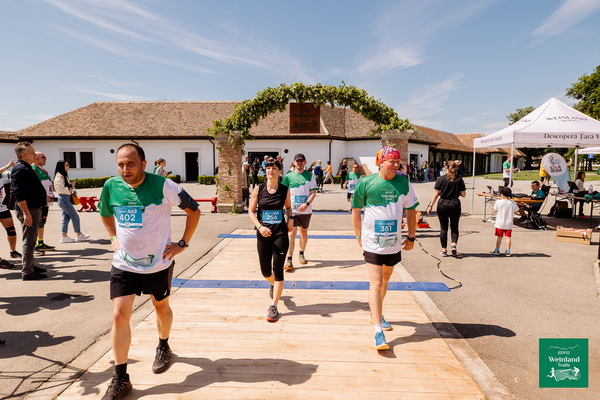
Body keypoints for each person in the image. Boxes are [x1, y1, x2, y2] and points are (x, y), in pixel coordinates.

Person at [98, 143, 200, 400]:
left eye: (131, 164)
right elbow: (105, 213)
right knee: (119, 316)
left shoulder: (163, 185)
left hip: (157, 264)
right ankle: (121, 378)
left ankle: (164, 346)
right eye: (121, 165)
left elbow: (194, 210)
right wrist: (112, 237)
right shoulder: (111, 186)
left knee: (161, 307)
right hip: (124, 263)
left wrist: (182, 243)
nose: (125, 169)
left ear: (144, 164)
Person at [352, 146, 418, 350]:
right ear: (380, 163)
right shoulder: (366, 183)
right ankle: (378, 331)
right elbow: (356, 210)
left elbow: (411, 211)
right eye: (392, 161)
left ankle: (376, 313)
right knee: (377, 283)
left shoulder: (404, 183)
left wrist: (411, 237)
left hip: (393, 243)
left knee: (386, 279)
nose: (396, 165)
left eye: (398, 161)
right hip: (372, 241)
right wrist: (358, 235)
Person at [248, 158, 293, 322]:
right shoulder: (258, 189)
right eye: (268, 168)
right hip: (263, 233)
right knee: (265, 271)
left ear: (280, 171)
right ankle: (272, 283)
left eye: (274, 168)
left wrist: (291, 219)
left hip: (280, 233)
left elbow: (288, 207)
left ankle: (274, 305)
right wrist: (260, 227)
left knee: (278, 269)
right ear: (265, 171)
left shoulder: (284, 190)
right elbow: (251, 212)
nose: (271, 170)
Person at [11, 142, 49, 280]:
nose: (35, 156)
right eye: (32, 153)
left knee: (31, 239)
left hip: (33, 208)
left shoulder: (27, 167)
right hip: (29, 210)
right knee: (29, 241)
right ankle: (27, 272)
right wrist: (26, 213)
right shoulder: (20, 169)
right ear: (23, 155)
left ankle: (30, 265)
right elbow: (18, 194)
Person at [281, 153, 317, 271]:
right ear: (294, 162)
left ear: (305, 162)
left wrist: (306, 204)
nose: (299, 163)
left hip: (306, 210)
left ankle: (301, 253)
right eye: (297, 161)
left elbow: (313, 193)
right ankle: (289, 259)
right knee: (291, 233)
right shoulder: (288, 176)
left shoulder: (310, 176)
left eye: (301, 161)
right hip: (292, 210)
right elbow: (283, 192)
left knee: (303, 232)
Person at [426, 160, 466, 257]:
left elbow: (436, 194)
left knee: (443, 228)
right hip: (455, 204)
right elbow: (463, 194)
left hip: (443, 204)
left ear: (446, 168)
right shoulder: (459, 179)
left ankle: (444, 250)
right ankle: (453, 245)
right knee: (454, 226)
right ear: (455, 168)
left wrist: (430, 206)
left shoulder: (440, 179)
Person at [54, 161, 91, 243]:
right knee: (75, 216)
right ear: (62, 166)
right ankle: (79, 234)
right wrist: (71, 185)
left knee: (65, 218)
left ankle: (64, 236)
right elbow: (59, 190)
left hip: (65, 199)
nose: (68, 166)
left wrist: (70, 184)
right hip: (63, 199)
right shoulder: (59, 177)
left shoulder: (63, 176)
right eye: (66, 165)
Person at [0, 160, 23, 261]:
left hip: (2, 208)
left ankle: (13, 251)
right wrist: (7, 165)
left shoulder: (2, 174)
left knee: (11, 230)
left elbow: (13, 174)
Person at [32, 151, 56, 252]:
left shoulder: (41, 169)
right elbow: (34, 186)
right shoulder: (33, 168)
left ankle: (40, 243)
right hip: (40, 200)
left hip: (45, 200)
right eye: (43, 157)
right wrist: (43, 196)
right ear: (36, 158)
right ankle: (32, 246)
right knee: (36, 223)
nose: (45, 159)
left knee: (42, 222)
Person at [492, 187, 519, 257]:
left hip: (500, 223)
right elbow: (516, 211)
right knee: (508, 237)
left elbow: (494, 211)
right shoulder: (512, 203)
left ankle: (497, 250)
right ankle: (508, 251)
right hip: (509, 223)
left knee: (499, 237)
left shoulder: (498, 202)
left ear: (502, 194)